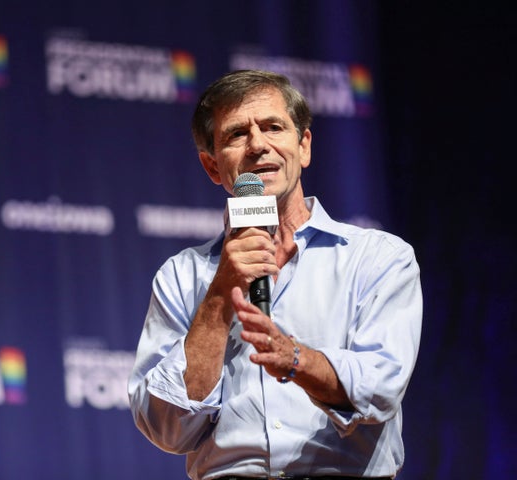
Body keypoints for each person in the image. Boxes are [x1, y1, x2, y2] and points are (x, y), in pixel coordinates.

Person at [127, 70, 422, 480]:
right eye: (236, 135)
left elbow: (381, 386)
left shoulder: (378, 258)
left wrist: (296, 360)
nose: (258, 145)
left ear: (303, 146)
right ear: (212, 166)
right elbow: (165, 426)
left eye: (272, 127)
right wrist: (220, 293)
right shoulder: (181, 276)